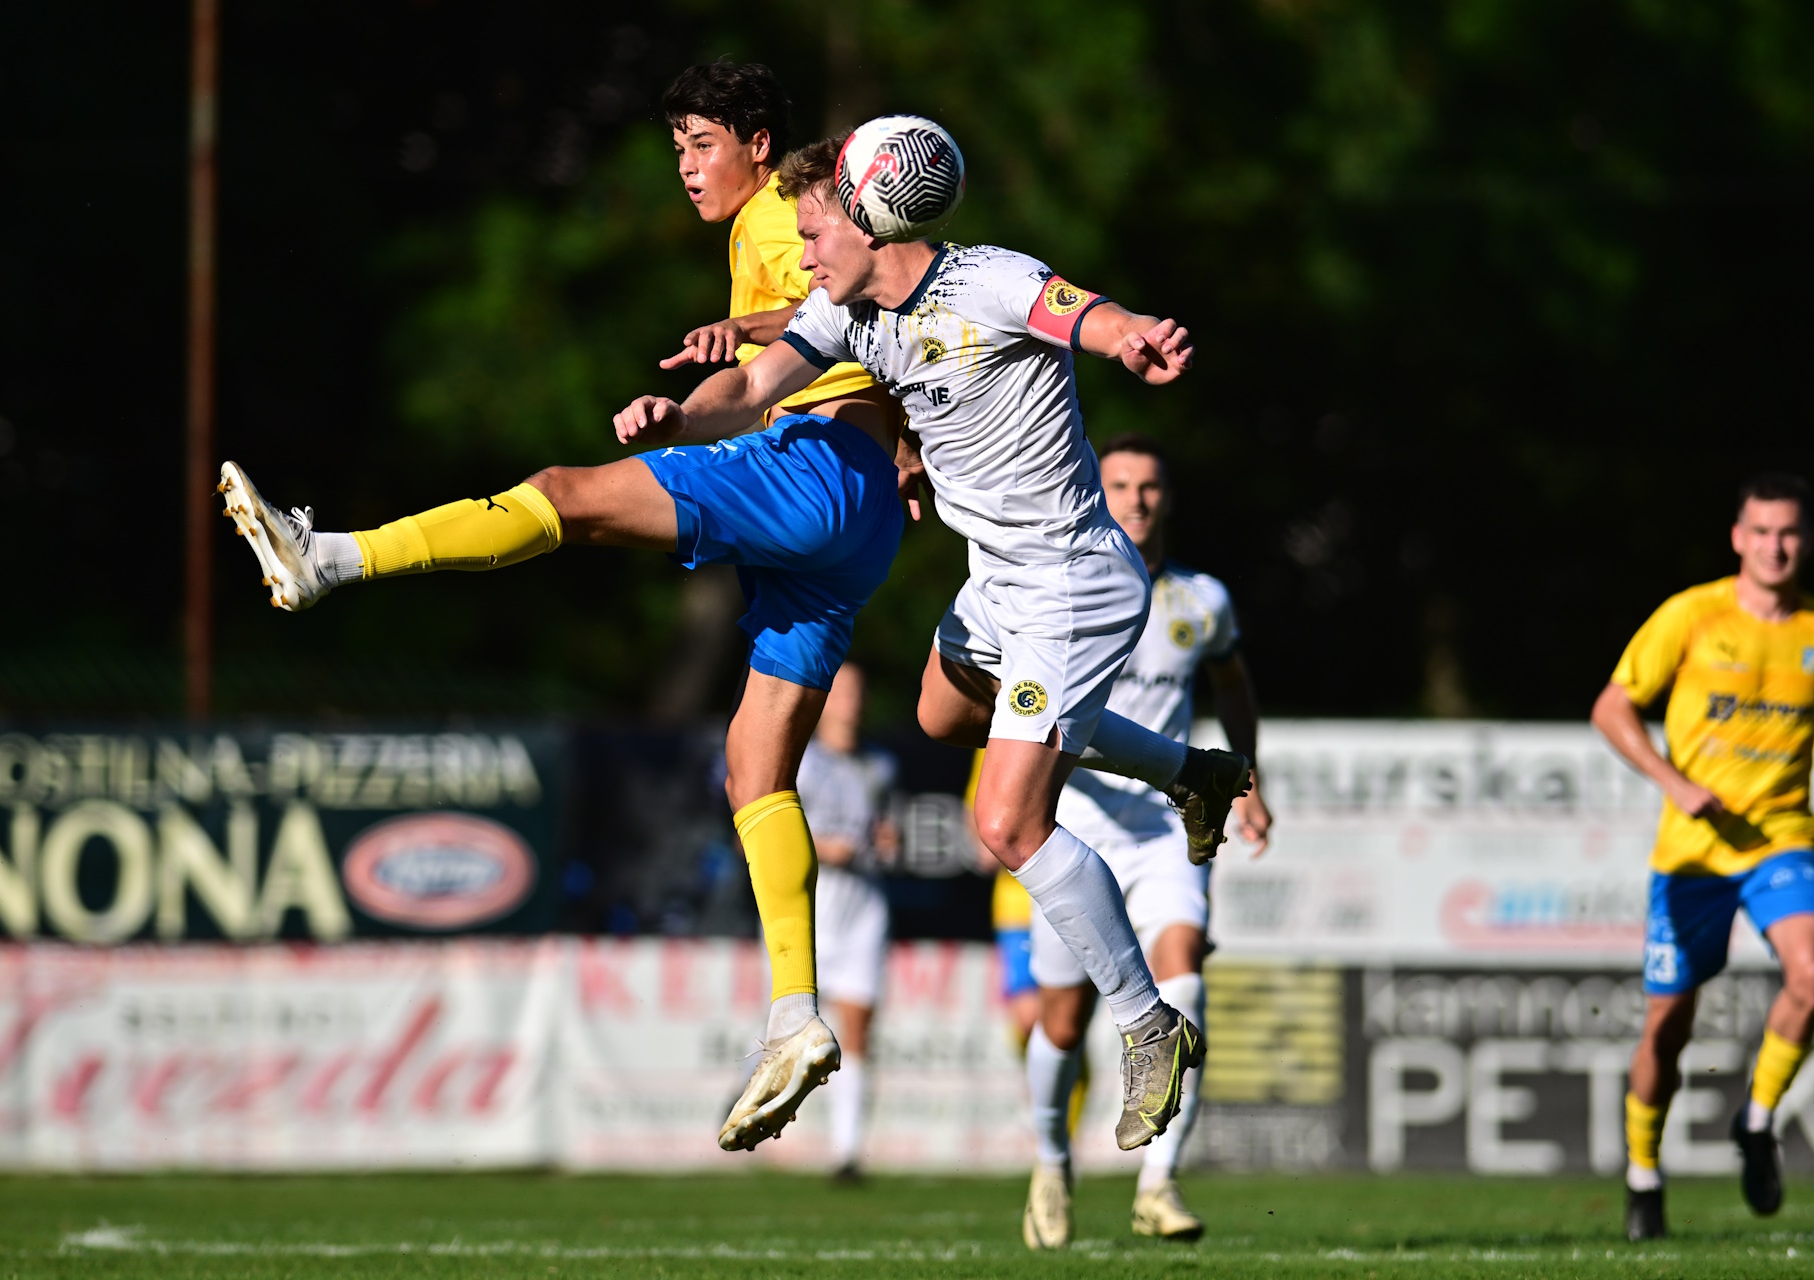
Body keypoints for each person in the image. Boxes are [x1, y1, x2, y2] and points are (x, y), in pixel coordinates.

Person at [217, 62, 913, 1154]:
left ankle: (330, 558)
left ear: (759, 144)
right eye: (677, 148)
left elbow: (852, 298)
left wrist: (752, 332)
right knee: (754, 767)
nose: (687, 167)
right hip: (859, 520)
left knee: (563, 496)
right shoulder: (772, 227)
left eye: (702, 143)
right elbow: (830, 351)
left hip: (814, 467)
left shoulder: (788, 207)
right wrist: (696, 412)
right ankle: (794, 1014)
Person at [612, 124, 1252, 1153]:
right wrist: (677, 418)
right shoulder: (847, 313)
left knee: (1007, 822)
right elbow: (752, 386)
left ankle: (1149, 1023)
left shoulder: (988, 279)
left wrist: (1133, 334)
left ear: (870, 218)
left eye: (812, 231)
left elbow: (1082, 313)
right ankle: (1192, 773)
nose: (802, 252)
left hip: (1071, 585)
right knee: (942, 714)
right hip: (997, 581)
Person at [1590, 473, 1814, 1242]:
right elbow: (1612, 709)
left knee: (1812, 972)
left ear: (1807, 541)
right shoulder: (1691, 614)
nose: (1775, 547)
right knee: (1667, 1029)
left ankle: (1756, 1120)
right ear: (1738, 538)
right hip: (1693, 855)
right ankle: (1643, 1175)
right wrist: (1673, 783)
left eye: (1789, 533)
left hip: (1781, 838)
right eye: (1762, 532)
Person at [1020, 434, 1273, 1249]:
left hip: (1166, 825)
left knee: (1184, 975)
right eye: (1121, 484)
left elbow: (1231, 682)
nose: (1136, 499)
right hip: (1073, 823)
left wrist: (1252, 778)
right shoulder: (1066, 589)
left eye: (1150, 486)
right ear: (1098, 491)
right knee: (1063, 1023)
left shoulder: (1202, 600)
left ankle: (1159, 1183)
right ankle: (1051, 1163)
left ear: (1168, 498)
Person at [793, 662, 898, 1180]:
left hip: (863, 904)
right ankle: (745, 1093)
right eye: (843, 691)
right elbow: (763, 834)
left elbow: (885, 833)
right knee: (793, 1023)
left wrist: (887, 842)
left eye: (859, 691)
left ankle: (847, 1153)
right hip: (811, 902)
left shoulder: (880, 766)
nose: (852, 702)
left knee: (856, 1026)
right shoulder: (801, 762)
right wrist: (817, 848)